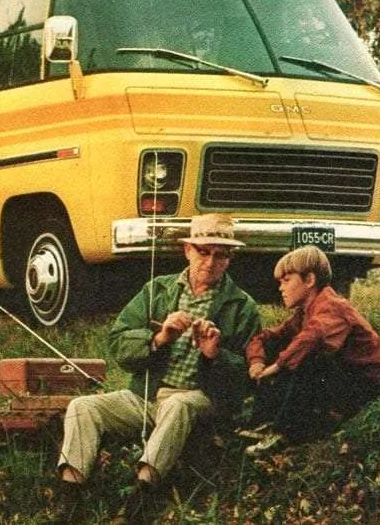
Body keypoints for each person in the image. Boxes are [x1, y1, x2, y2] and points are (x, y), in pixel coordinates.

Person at [49, 214, 261, 523]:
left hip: (200, 399)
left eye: (221, 254)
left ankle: (140, 497)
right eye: (204, 251)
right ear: (187, 250)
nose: (211, 261)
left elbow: (243, 383)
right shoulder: (158, 289)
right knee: (83, 406)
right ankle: (70, 498)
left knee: (178, 404)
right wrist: (159, 338)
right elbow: (118, 342)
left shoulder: (242, 306)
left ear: (230, 259)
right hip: (147, 396)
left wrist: (214, 355)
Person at [241, 245, 380, 455]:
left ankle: (284, 432)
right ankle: (264, 421)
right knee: (280, 345)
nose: (280, 288)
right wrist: (257, 361)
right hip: (339, 385)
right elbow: (266, 337)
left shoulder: (333, 306)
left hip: (366, 389)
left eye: (286, 280)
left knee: (310, 357)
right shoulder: (304, 312)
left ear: (309, 280)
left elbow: (313, 336)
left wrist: (276, 366)